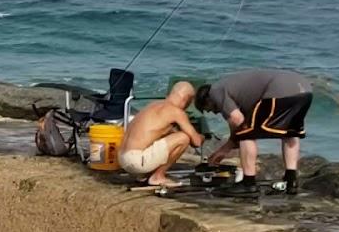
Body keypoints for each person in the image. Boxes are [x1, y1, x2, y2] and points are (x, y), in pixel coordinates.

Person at [195, 69, 313, 197]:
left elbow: (237, 120)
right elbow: (242, 120)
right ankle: (291, 181)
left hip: (279, 89)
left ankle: (248, 184)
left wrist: (223, 150)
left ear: (207, 99)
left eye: (209, 109)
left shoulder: (215, 91)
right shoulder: (236, 90)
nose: (215, 112)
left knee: (246, 133)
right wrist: (227, 147)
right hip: (305, 90)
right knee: (290, 132)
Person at [119, 81, 203, 188]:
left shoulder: (153, 105)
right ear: (186, 99)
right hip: (136, 161)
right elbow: (197, 142)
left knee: (170, 137)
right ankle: (157, 176)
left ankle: (145, 175)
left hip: (123, 158)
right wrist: (201, 136)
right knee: (184, 138)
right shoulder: (176, 112)